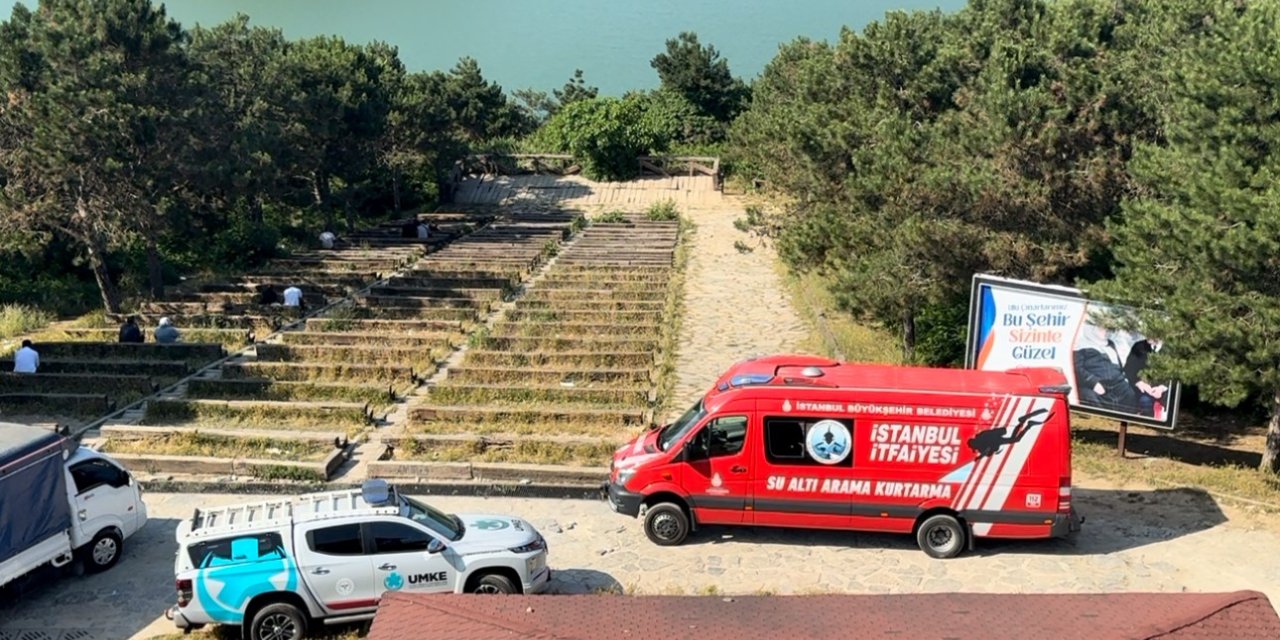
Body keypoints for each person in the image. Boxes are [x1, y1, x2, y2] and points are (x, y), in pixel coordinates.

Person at [1072, 323, 1139, 413]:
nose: (1105, 332)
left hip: (1116, 383)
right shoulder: (1081, 344)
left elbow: (1118, 364)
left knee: (1129, 393)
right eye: (1102, 329)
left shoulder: (1111, 344)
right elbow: (1076, 368)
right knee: (1088, 396)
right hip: (1094, 384)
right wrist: (1093, 383)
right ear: (1093, 328)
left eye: (1108, 329)